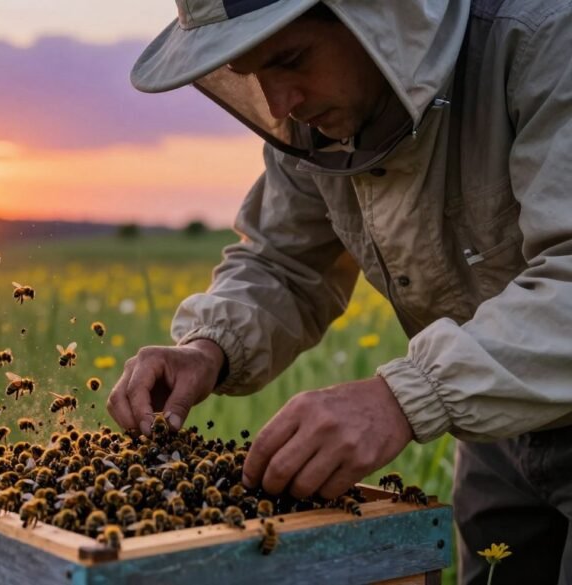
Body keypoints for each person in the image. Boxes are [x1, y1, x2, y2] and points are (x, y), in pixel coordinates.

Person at [107, 0, 572, 582]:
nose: (281, 103)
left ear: (378, 15)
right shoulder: (319, 119)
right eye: (256, 75)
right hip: (497, 426)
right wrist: (208, 347)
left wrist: (405, 396)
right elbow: (284, 260)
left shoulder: (544, 36)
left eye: (292, 58)